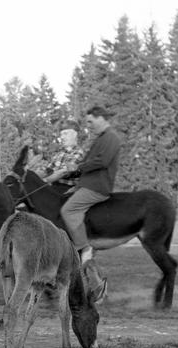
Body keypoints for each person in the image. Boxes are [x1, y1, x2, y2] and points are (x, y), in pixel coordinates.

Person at [60, 106, 121, 263]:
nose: (88, 125)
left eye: (90, 121)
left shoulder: (111, 137)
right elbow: (89, 163)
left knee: (67, 210)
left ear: (100, 118)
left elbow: (103, 161)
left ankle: (85, 248)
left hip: (97, 187)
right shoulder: (101, 138)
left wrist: (78, 167)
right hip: (88, 185)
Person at [28, 119, 85, 185]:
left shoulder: (78, 153)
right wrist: (31, 176)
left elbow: (62, 173)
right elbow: (47, 170)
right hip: (53, 188)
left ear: (75, 134)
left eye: (65, 134)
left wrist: (43, 181)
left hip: (66, 190)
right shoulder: (59, 153)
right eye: (61, 134)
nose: (62, 137)